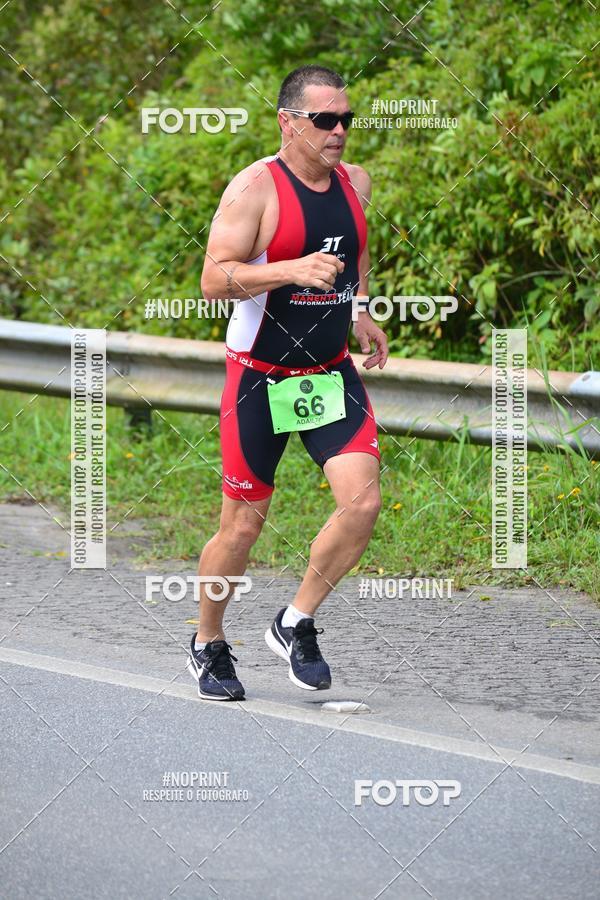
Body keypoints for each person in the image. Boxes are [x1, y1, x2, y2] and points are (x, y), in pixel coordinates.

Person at [187, 64, 388, 701]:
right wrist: (288, 269)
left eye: (346, 120)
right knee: (243, 528)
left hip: (328, 372)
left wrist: (358, 311)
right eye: (324, 120)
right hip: (258, 378)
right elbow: (214, 281)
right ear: (288, 122)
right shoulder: (254, 189)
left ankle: (294, 620)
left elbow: (355, 252)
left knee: (363, 505)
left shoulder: (356, 181)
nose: (338, 133)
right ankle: (208, 643)